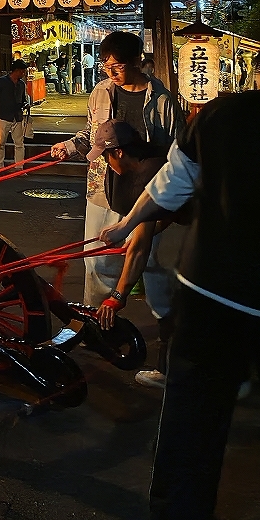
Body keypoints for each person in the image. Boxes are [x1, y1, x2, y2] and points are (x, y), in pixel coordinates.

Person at [100, 92, 260, 520]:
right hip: (219, 290)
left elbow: (169, 188)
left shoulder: (223, 114)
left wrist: (126, 225)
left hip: (212, 289)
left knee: (193, 420)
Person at [50, 32, 183, 323]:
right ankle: (95, 321)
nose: (111, 73)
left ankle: (168, 322)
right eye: (106, 66)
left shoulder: (161, 101)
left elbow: (176, 150)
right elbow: (92, 133)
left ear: (137, 61)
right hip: (104, 187)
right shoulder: (101, 92)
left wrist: (166, 199)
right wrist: (70, 146)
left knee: (148, 258)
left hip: (147, 188)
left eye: (118, 66)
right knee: (96, 260)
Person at [87, 119, 173, 386]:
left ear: (119, 152)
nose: (105, 163)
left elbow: (140, 247)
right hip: (188, 223)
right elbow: (161, 218)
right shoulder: (152, 159)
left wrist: (117, 296)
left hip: (201, 230)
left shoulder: (149, 173)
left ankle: (173, 374)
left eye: (106, 156)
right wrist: (135, 233)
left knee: (169, 301)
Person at [0, 59, 28, 168]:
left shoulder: (21, 84)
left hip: (17, 116)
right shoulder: (1, 82)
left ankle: (19, 166)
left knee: (19, 143)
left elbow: (23, 99)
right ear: (17, 70)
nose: (23, 74)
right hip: (4, 116)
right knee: (0, 144)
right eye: (22, 71)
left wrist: (25, 105)